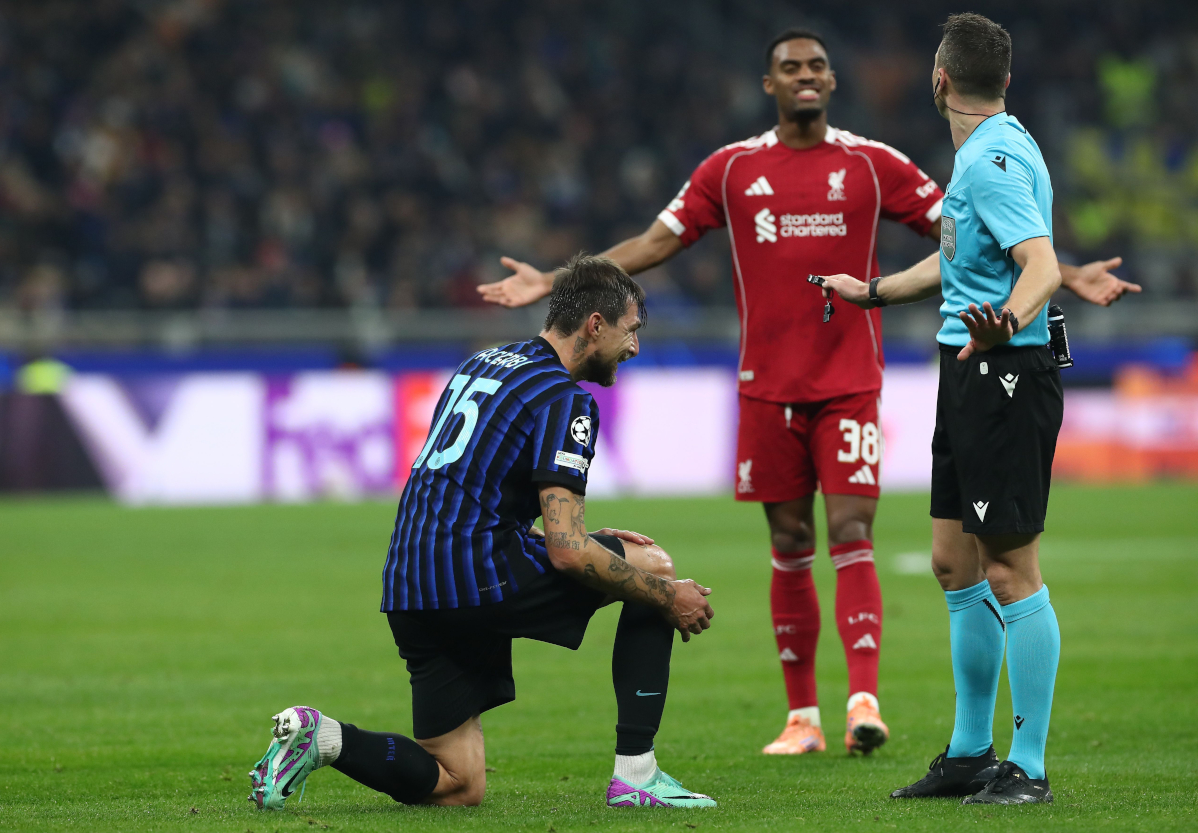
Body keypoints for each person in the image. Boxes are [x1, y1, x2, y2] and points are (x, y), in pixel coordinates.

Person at [479, 28, 1134, 758]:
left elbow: (977, 231)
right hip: (766, 385)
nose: (806, 75)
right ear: (769, 84)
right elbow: (655, 242)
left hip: (851, 381)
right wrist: (560, 280)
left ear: (836, 79)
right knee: (795, 543)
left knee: (855, 531)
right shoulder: (731, 169)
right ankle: (803, 717)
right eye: (790, 67)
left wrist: (1064, 272)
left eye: (818, 65)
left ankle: (865, 702)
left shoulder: (874, 163)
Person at [248, 255, 717, 810]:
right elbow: (569, 553)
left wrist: (565, 538)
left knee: (458, 783)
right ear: (595, 325)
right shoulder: (565, 400)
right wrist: (669, 596)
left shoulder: (484, 362)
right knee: (652, 567)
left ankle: (322, 738)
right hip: (478, 577)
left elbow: (473, 494)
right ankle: (637, 775)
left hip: (410, 584)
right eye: (630, 330)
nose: (634, 347)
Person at [819, 12, 1112, 804]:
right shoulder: (989, 151)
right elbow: (958, 263)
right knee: (955, 562)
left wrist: (1005, 323)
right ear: (1004, 80)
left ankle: (1029, 766)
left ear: (939, 78)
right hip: (970, 369)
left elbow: (1040, 264)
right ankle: (970, 752)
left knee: (1011, 569)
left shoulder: (991, 162)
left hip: (1004, 373)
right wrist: (872, 291)